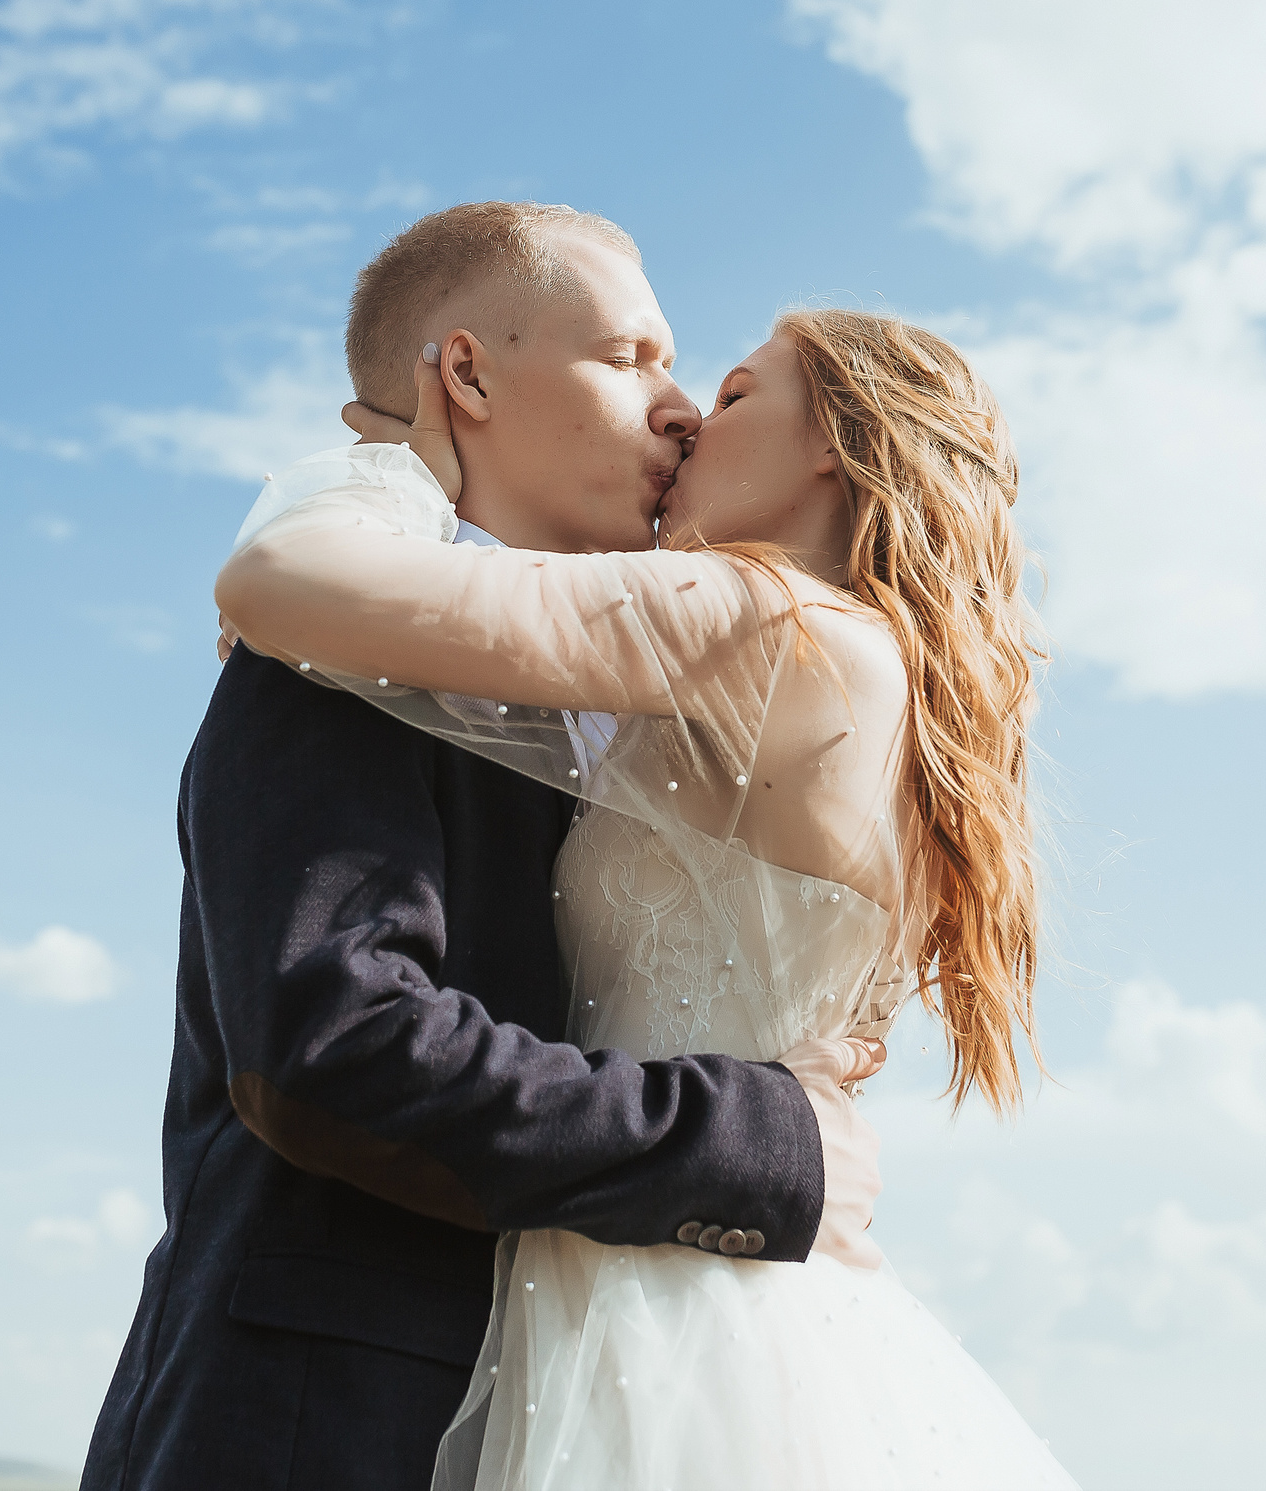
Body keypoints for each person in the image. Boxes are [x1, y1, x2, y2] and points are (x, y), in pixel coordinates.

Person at [80, 204, 890, 1491]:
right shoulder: (337, 652)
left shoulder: (665, 712)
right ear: (465, 375)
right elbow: (333, 1048)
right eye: (630, 358)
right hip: (326, 1420)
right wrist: (759, 1140)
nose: (678, 407)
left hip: (612, 1397)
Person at [216, 296, 1077, 1487]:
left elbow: (275, 579)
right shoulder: (876, 673)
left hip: (650, 1297)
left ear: (833, 440)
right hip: (735, 1279)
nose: (682, 421)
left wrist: (398, 472)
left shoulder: (764, 619)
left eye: (730, 397)